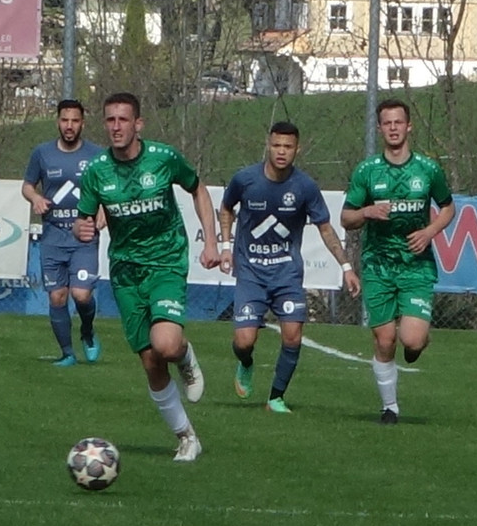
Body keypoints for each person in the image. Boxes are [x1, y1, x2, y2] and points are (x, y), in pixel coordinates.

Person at [74, 92, 220, 462]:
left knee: (166, 345)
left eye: (123, 120)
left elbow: (198, 188)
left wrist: (211, 242)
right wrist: (83, 228)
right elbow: (83, 219)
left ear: (138, 124)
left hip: (166, 262)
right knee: (151, 361)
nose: (116, 127)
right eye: (110, 120)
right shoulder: (96, 171)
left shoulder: (164, 158)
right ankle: (187, 437)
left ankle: (184, 356)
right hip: (126, 272)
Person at [219, 121, 361, 413]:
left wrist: (346, 266)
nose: (281, 152)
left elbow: (325, 228)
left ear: (298, 149)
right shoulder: (245, 180)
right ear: (268, 145)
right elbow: (226, 208)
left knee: (293, 335)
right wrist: (225, 246)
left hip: (287, 274)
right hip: (251, 273)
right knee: (244, 342)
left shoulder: (304, 187)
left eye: (287, 146)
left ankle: (276, 398)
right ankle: (245, 362)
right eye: (276, 145)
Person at [340, 98, 455, 425]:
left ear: (408, 126)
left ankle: (419, 340)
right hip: (378, 265)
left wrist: (430, 231)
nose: (393, 128)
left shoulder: (428, 169)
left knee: (412, 340)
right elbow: (346, 217)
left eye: (398, 122)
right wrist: (366, 211)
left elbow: (448, 207)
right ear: (379, 128)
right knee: (385, 339)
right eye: (387, 123)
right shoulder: (367, 171)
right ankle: (390, 407)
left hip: (415, 265)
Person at [22, 99, 103, 367]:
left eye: (75, 121)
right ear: (58, 122)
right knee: (57, 296)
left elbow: (109, 187)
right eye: (65, 120)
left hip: (84, 236)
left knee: (81, 294)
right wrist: (35, 197)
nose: (69, 126)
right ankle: (67, 353)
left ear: (82, 123)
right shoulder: (42, 153)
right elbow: (27, 185)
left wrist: (104, 210)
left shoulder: (97, 155)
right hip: (53, 235)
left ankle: (88, 331)